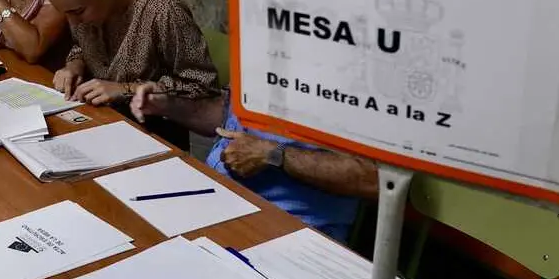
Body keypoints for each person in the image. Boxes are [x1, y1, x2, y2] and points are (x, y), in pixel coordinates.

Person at [35, 0, 220, 149]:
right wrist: (74, 66)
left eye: (77, 12)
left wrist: (124, 89)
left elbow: (203, 90)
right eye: (65, 13)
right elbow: (81, 46)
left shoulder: (162, 11)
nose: (73, 22)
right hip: (100, 126)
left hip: (153, 140)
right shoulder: (86, 8)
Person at [129, 85, 376, 242]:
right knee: (135, 231)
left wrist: (275, 154)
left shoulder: (358, 74)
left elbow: (375, 180)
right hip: (218, 199)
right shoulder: (262, 43)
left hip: (292, 226)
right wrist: (168, 105)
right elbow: (228, 119)